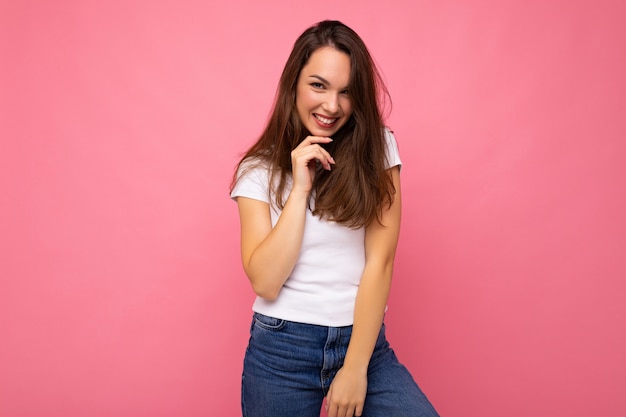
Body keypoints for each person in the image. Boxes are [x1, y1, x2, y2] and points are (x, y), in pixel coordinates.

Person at [230, 20, 439, 417]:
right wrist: (301, 189)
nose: (332, 106)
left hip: (363, 344)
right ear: (294, 82)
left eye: (346, 92)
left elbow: (381, 260)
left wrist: (356, 366)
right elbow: (266, 280)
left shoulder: (378, 148)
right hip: (280, 351)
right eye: (319, 85)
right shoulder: (256, 170)